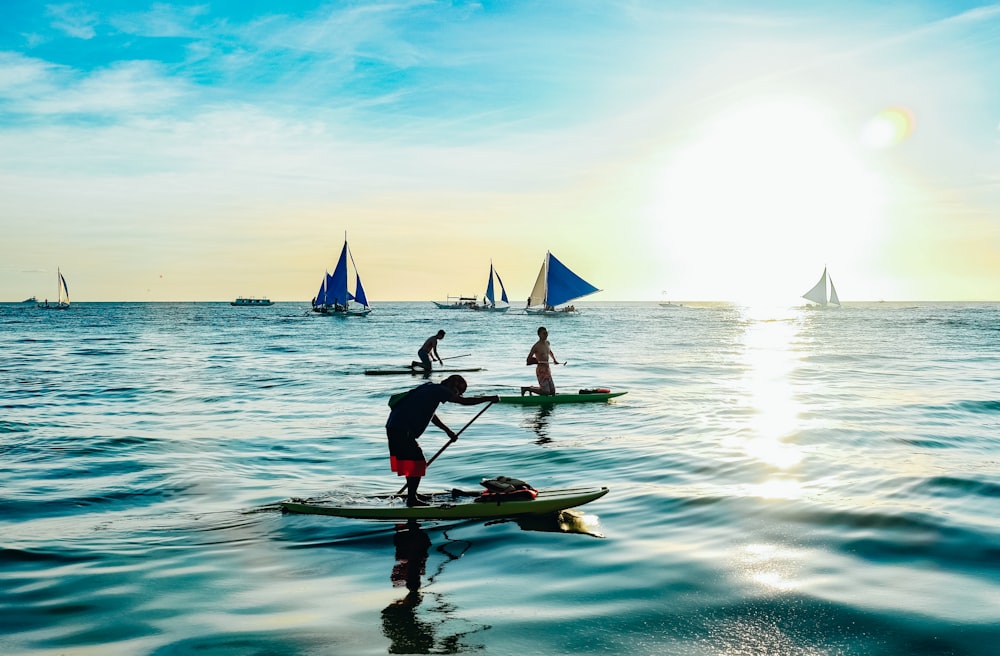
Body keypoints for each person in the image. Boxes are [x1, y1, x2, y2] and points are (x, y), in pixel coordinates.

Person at [385, 375, 498, 506]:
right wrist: (487, 398)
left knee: (411, 462)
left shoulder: (430, 388)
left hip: (395, 427)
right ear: (451, 385)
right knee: (418, 462)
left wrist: (447, 431)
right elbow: (463, 402)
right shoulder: (440, 390)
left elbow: (430, 414)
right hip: (401, 430)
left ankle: (412, 494)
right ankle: (411, 500)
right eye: (458, 391)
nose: (457, 394)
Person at [522, 326, 559, 396]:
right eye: (544, 333)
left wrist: (554, 360)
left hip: (547, 369)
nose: (546, 335)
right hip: (541, 370)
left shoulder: (547, 343)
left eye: (547, 333)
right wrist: (536, 361)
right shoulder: (536, 346)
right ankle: (527, 389)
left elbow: (550, 352)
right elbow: (528, 359)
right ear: (539, 335)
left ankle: (532, 388)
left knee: (552, 392)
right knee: (546, 392)